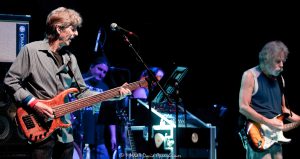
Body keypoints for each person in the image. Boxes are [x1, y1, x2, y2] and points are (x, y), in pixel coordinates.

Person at [3, 7, 131, 159]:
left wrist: (114, 94)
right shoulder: (30, 51)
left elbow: (83, 93)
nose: (76, 34)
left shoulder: (71, 59)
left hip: (65, 133)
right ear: (59, 28)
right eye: (73, 29)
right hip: (40, 130)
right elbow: (10, 81)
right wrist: (34, 103)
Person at [238, 40, 300, 159]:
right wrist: (268, 121)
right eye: (278, 61)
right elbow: (243, 107)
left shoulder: (280, 80)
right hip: (257, 133)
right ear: (266, 59)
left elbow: (283, 109)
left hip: (275, 135)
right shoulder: (250, 75)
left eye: (283, 61)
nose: (282, 65)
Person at [77, 56, 118, 159]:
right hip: (79, 135)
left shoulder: (104, 88)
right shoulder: (79, 81)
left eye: (104, 72)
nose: (102, 74)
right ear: (91, 67)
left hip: (99, 138)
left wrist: (113, 136)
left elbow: (110, 114)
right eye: (99, 69)